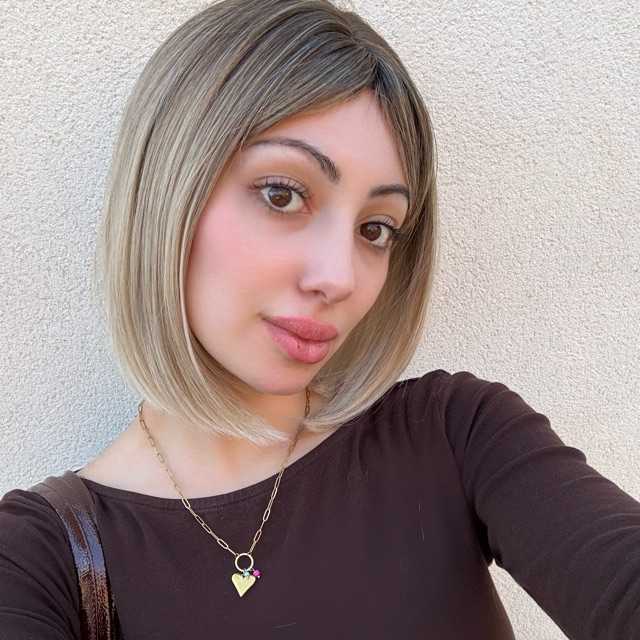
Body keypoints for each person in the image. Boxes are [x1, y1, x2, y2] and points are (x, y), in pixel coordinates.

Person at [1, 0, 638, 638]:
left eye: (376, 229)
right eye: (282, 194)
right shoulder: (36, 562)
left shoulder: (456, 435)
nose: (340, 277)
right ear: (168, 190)